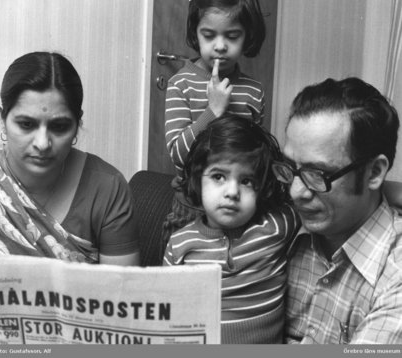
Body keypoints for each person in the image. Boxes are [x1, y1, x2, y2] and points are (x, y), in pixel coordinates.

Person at [271, 77, 402, 343]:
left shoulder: (394, 277)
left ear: (374, 172)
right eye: (290, 168)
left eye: (318, 174)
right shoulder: (280, 231)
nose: (296, 192)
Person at [0, 51, 140, 265]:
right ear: (3, 120)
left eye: (59, 127)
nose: (42, 143)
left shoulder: (107, 189)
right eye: (26, 124)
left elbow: (122, 293)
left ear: (77, 125)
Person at [163, 115, 300, 344]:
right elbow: (165, 311)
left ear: (262, 187)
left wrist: (273, 170)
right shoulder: (180, 244)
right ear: (198, 180)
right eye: (218, 176)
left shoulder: (276, 226)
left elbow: (301, 192)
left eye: (246, 181)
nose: (232, 192)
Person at [163, 0, 267, 243]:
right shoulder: (181, 84)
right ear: (195, 33)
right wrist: (213, 110)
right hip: (191, 207)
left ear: (248, 36)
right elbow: (178, 155)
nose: (220, 46)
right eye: (209, 35)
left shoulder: (254, 91)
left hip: (239, 207)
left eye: (232, 36)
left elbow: (256, 159)